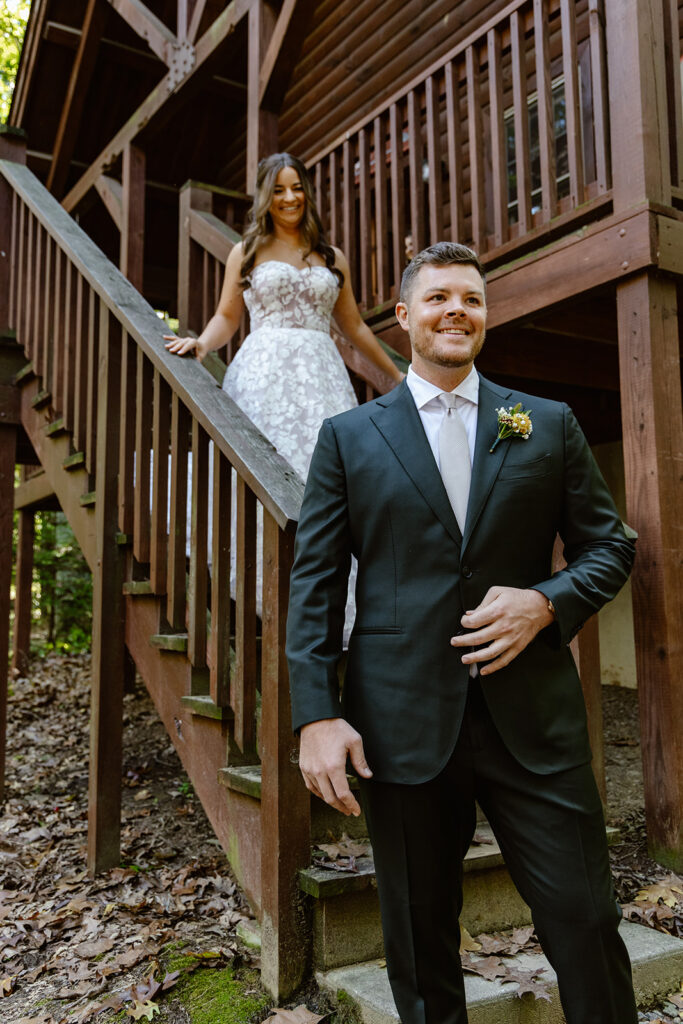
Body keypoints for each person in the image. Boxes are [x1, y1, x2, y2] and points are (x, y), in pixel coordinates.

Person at [286, 242, 638, 1024]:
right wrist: (315, 712)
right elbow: (313, 583)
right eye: (440, 298)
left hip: (535, 723)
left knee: (584, 922)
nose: (457, 311)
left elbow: (610, 546)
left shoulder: (544, 423)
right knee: (418, 944)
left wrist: (546, 601)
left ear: (485, 316)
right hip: (398, 725)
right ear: (405, 316)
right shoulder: (347, 438)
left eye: (472, 300)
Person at [164, 152, 403, 482]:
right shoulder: (246, 251)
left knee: (329, 465)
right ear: (265, 197)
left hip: (322, 377)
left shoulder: (332, 257)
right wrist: (202, 344)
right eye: (278, 190)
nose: (289, 198)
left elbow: (354, 327)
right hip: (264, 375)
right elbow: (227, 316)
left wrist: (396, 376)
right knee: (264, 464)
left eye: (296, 188)